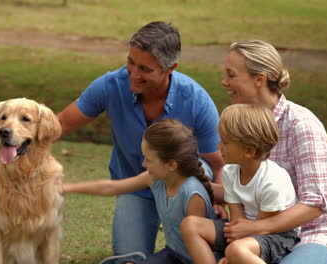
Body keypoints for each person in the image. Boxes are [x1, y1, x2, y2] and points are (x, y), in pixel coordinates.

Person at [56, 21, 224, 258]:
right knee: (130, 258)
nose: (133, 75)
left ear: (170, 68)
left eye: (145, 69)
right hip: (137, 184)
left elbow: (218, 164)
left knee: (191, 249)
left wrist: (217, 202)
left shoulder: (196, 99)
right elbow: (62, 124)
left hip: (183, 182)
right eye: (130, 63)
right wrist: (22, 143)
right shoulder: (111, 85)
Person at [192, 39, 327, 263]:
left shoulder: (301, 124)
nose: (224, 82)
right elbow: (239, 189)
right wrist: (189, 179)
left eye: (232, 75)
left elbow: (316, 204)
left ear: (259, 79)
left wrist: (256, 228)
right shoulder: (238, 123)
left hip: (310, 236)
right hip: (252, 236)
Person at [61, 118, 218, 264]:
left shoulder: (192, 194)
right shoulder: (155, 179)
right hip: (173, 253)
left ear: (171, 165)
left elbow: (199, 247)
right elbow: (111, 187)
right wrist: (68, 188)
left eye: (148, 160)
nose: (143, 164)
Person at [181, 104, 299, 264]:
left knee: (236, 250)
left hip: (275, 235)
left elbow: (262, 228)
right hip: (242, 229)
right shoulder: (230, 172)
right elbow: (236, 219)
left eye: (225, 142)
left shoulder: (272, 182)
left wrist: (231, 255)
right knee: (190, 225)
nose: (218, 146)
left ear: (249, 151)